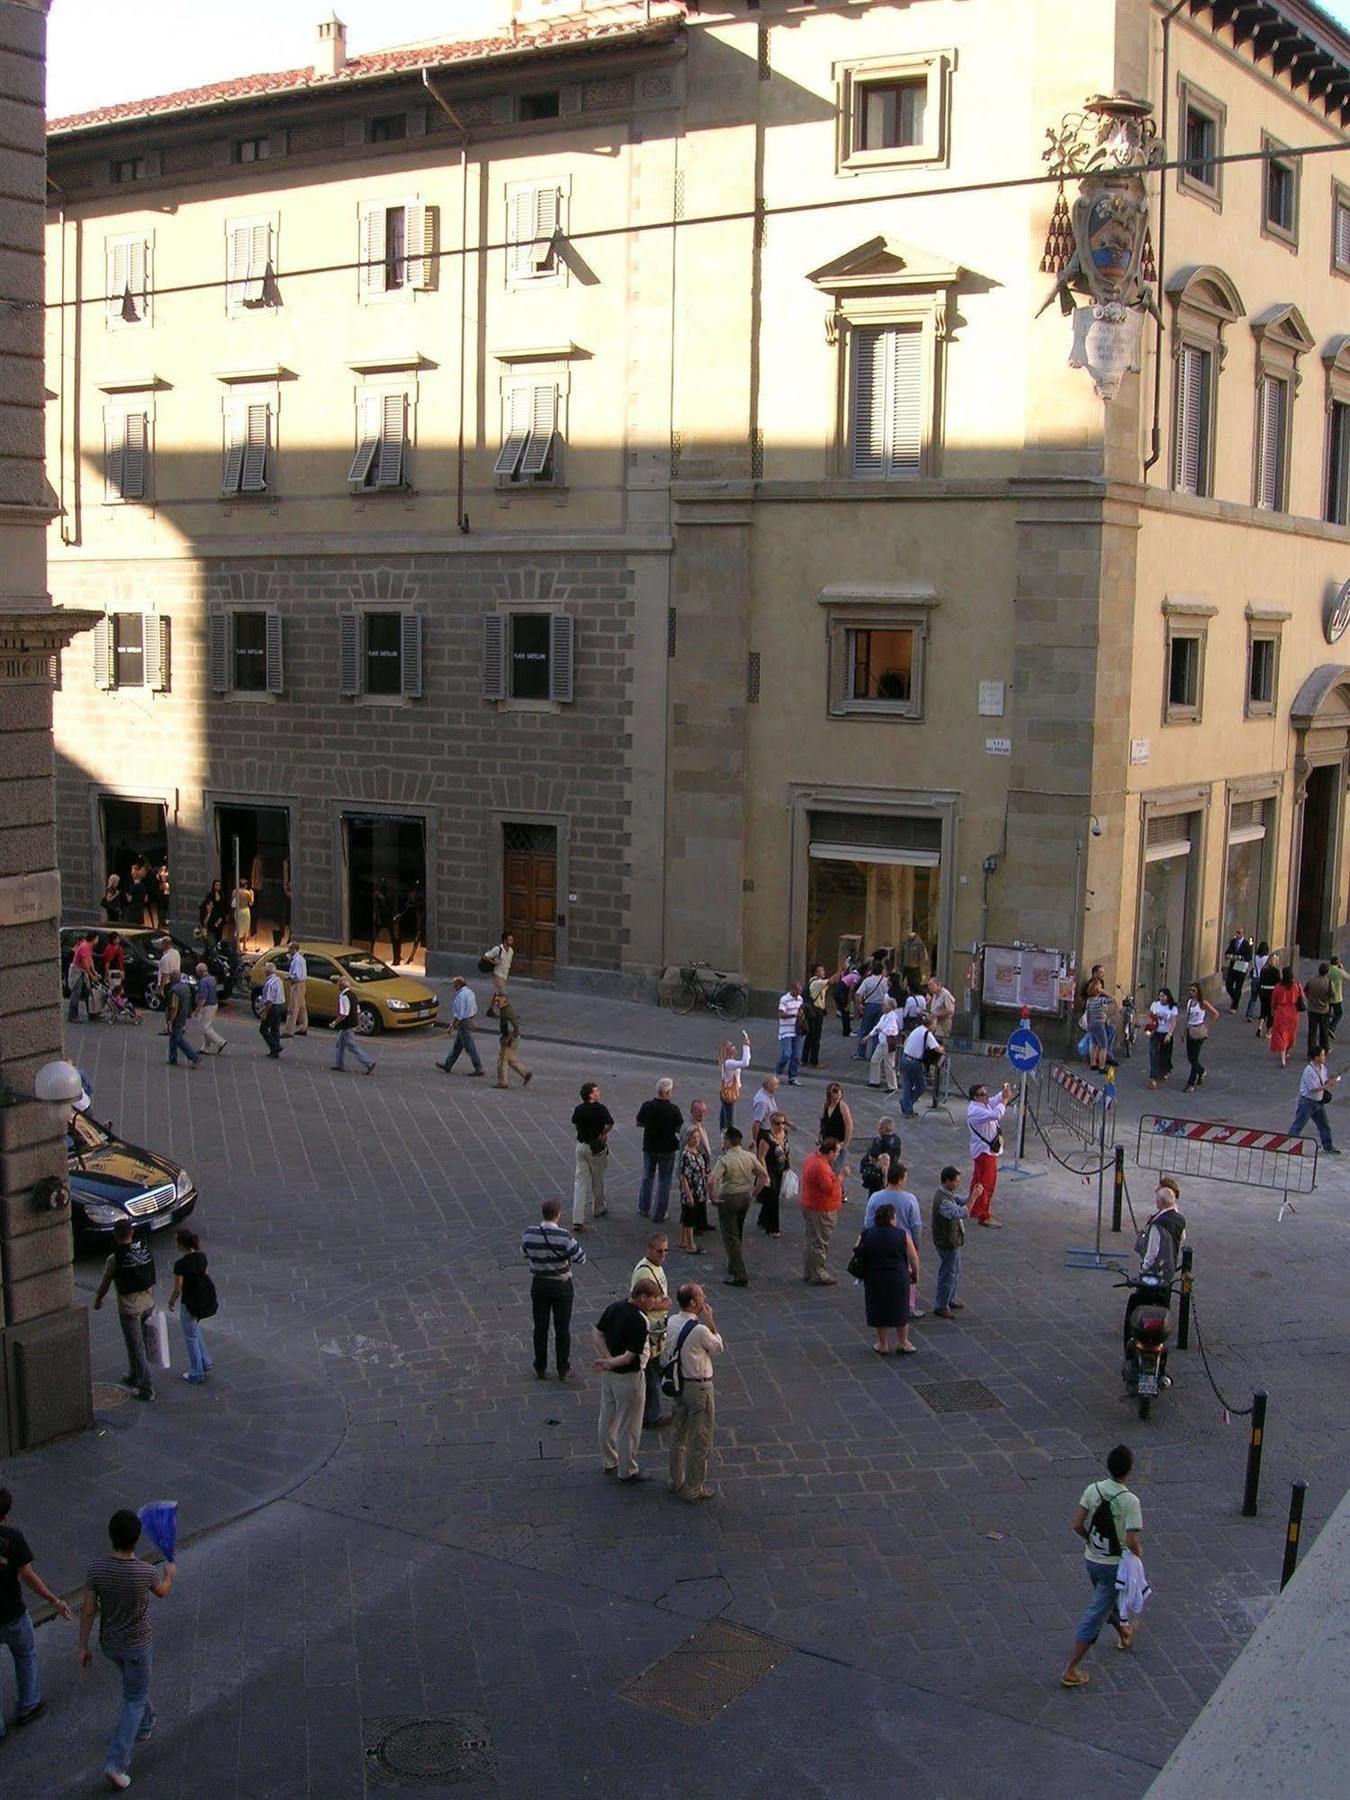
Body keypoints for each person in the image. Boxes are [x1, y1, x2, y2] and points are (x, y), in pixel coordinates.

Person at [78, 1508, 176, 1790]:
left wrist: (82, 1647)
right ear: (136, 1539)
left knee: (134, 1687)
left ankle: (147, 1723)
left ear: (112, 1537)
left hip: (110, 1643)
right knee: (134, 1698)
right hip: (137, 1645)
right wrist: (169, 1572)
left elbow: (88, 1610)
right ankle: (116, 1763)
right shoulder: (145, 1572)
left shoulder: (96, 1569)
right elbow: (163, 1591)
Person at [1060, 1445, 1143, 1687]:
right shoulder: (1130, 1501)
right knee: (1096, 1612)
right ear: (1129, 1470)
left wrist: (1089, 1540)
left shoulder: (1092, 1489)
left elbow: (1076, 1524)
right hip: (1113, 1566)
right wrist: (1138, 1555)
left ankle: (1124, 1632)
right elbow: (1131, 1540)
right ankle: (1071, 1669)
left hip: (1092, 1560)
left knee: (1107, 1597)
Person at [0, 1487, 73, 1739]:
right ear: (5, 1514)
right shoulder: (13, 1538)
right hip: (12, 1612)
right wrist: (54, 1600)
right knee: (25, 1654)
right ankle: (28, 1704)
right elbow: (28, 1576)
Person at [591, 1279, 663, 1483]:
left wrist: (606, 1359)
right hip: (629, 1378)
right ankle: (627, 1470)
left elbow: (596, 1333)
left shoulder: (614, 1307)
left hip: (609, 1376)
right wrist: (611, 1362)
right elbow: (631, 1356)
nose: (653, 1304)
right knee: (629, 1425)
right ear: (642, 1298)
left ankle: (609, 1460)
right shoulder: (640, 1320)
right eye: (652, 1300)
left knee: (607, 1418)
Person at [663, 1282, 723, 1503]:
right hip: (699, 1387)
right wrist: (711, 1322)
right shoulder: (699, 1329)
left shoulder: (671, 1322)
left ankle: (675, 1480)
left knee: (678, 1435)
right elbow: (718, 1347)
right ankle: (693, 1487)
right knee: (700, 1439)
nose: (704, 1298)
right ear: (692, 1302)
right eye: (701, 1295)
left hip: (679, 1385)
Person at [521, 1199, 585, 1381]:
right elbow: (581, 1257)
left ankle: (540, 1366)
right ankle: (563, 1369)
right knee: (562, 1328)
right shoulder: (565, 1236)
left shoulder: (529, 1233)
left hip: (539, 1284)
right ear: (558, 1215)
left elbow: (524, 1253)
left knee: (540, 1327)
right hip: (561, 1286)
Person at [93, 1223, 157, 1402]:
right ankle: (134, 1374)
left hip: (130, 1308)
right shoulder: (143, 1250)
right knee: (142, 1342)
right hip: (148, 1302)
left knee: (136, 1347)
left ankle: (146, 1387)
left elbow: (105, 1283)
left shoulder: (115, 1259)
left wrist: (98, 1300)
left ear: (115, 1235)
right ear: (132, 1232)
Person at [853, 1201, 919, 1355]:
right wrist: (915, 1273)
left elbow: (857, 1251)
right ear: (891, 1218)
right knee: (901, 1308)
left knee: (878, 1309)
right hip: (898, 1276)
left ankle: (882, 1344)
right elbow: (913, 1258)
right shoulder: (902, 1235)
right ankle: (903, 1342)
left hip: (875, 1277)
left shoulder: (866, 1234)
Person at [709, 1126, 767, 1286]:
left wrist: (712, 1198)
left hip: (729, 1198)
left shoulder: (725, 1160)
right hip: (745, 1197)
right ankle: (733, 1264)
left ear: (728, 1141)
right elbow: (763, 1176)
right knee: (738, 1231)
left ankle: (739, 1273)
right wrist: (754, 1193)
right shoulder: (749, 1156)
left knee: (730, 1236)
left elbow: (712, 1180)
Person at [866, 1163, 923, 1316]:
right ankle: (908, 1306)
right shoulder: (910, 1199)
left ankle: (883, 1303)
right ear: (900, 1179)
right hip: (903, 1241)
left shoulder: (875, 1197)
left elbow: (868, 1223)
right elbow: (916, 1225)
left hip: (879, 1240)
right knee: (906, 1274)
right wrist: (916, 1244)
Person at [631, 1237, 672, 1429]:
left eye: (665, 1251)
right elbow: (639, 1300)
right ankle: (651, 1415)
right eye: (659, 1251)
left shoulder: (656, 1267)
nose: (663, 1255)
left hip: (657, 1330)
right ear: (649, 1249)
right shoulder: (644, 1272)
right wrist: (661, 1304)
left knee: (653, 1372)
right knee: (651, 1374)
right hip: (650, 1330)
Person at [168, 1227, 216, 1383]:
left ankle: (197, 1372)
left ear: (181, 1244)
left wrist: (171, 1300)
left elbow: (178, 1288)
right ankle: (205, 1361)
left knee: (191, 1336)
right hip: (203, 1299)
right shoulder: (202, 1257)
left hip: (189, 1302)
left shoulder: (180, 1264)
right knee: (195, 1331)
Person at [635, 1078, 682, 1223]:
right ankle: (660, 1213)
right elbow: (679, 1128)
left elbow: (639, 1122)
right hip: (667, 1148)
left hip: (649, 1146)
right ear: (667, 1091)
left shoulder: (647, 1106)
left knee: (648, 1176)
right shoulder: (673, 1109)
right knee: (664, 1180)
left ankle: (644, 1208)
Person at [967, 1082, 1013, 1228]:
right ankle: (984, 1215)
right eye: (982, 1094)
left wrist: (1002, 1094)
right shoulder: (976, 1111)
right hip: (985, 1151)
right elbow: (996, 1113)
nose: (986, 1096)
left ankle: (973, 1207)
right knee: (987, 1184)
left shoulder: (982, 1104)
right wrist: (1005, 1101)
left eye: (986, 1092)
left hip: (984, 1150)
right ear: (975, 1097)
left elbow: (993, 1101)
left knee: (978, 1181)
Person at [800, 1137, 844, 1284]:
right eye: (837, 1151)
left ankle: (809, 1270)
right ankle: (818, 1273)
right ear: (830, 1152)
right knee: (820, 1242)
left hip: (811, 1205)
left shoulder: (812, 1159)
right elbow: (829, 1189)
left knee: (811, 1239)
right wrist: (840, 1177)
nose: (838, 1154)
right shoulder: (822, 1167)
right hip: (821, 1209)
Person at [571, 1081, 614, 1227]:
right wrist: (603, 1133)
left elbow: (575, 1123)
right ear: (590, 1095)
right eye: (596, 1091)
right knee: (598, 1179)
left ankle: (577, 1218)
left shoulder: (578, 1109)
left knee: (580, 1182)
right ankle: (599, 1208)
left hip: (581, 1146)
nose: (598, 1093)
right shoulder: (600, 1109)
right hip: (596, 1147)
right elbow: (610, 1123)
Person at [931, 1165, 969, 1319]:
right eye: (956, 1181)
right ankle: (941, 1305)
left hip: (954, 1240)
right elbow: (960, 1212)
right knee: (948, 1273)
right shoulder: (943, 1201)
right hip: (947, 1241)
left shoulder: (947, 1194)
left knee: (955, 1271)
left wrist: (974, 1192)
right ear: (947, 1181)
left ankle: (950, 1299)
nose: (958, 1184)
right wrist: (973, 1199)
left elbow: (960, 1200)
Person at [1290, 1046, 1341, 1153]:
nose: (1324, 1057)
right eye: (1322, 1055)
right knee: (1299, 1124)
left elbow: (1324, 1081)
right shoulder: (1309, 1070)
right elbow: (1313, 1088)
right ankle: (1289, 1144)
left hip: (1318, 1102)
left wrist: (1330, 1081)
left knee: (1324, 1125)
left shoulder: (1323, 1068)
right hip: (1307, 1102)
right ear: (1316, 1057)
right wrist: (1327, 1086)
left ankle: (1328, 1146)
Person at [438, 975, 483, 1076]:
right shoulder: (470, 992)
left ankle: (478, 1067)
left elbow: (459, 1014)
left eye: (454, 984)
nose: (453, 987)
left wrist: (452, 1026)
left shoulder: (461, 996)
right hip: (468, 1020)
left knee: (469, 1046)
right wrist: (472, 1019)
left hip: (463, 1023)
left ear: (458, 984)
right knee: (457, 1046)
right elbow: (474, 1008)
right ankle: (448, 1065)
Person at [331, 972, 375, 1074]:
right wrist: (359, 1024)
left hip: (346, 1025)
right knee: (340, 1044)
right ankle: (339, 1064)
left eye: (338, 984)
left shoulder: (344, 997)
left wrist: (334, 1023)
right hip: (350, 1025)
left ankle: (369, 1063)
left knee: (352, 1046)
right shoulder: (353, 995)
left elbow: (344, 1014)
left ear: (340, 986)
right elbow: (357, 1011)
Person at [899, 1018, 944, 1118]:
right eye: (935, 1023)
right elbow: (937, 1048)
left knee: (907, 1085)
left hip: (905, 1058)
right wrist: (943, 1049)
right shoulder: (927, 1034)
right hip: (914, 1062)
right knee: (921, 1086)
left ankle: (907, 1107)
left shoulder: (918, 1029)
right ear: (931, 1024)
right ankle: (907, 1104)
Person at [677, 1125, 711, 1255]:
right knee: (690, 1217)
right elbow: (683, 1176)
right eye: (694, 1137)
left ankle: (683, 1240)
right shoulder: (686, 1154)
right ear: (688, 1138)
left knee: (686, 1215)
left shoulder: (697, 1151)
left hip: (699, 1188)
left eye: (698, 1137)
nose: (697, 1140)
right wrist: (688, 1194)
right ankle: (691, 1245)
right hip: (691, 1190)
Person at [758, 1112, 791, 1237]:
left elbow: (787, 1151)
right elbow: (761, 1157)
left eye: (783, 1123)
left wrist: (788, 1166)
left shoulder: (784, 1134)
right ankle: (773, 1228)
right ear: (771, 1124)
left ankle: (762, 1219)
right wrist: (765, 1175)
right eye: (778, 1123)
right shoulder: (766, 1138)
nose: (781, 1126)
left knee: (770, 1196)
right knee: (773, 1198)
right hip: (770, 1169)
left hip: (780, 1169)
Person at [1182, 982, 1219, 1091]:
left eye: (1194, 990)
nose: (1191, 992)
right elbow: (1187, 1018)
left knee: (1195, 1057)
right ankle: (1201, 1071)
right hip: (1190, 1029)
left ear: (1198, 991)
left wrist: (1207, 1025)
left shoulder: (1203, 1003)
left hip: (1199, 1031)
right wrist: (1184, 1032)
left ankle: (1191, 1083)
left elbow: (1215, 1013)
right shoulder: (1189, 1002)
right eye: (1190, 990)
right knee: (1190, 1057)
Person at [492, 991, 532, 1089]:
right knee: (510, 1060)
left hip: (509, 1039)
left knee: (502, 1061)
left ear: (504, 1001)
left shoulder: (506, 1012)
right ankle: (525, 1073)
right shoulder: (506, 1009)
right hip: (514, 1038)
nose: (496, 1004)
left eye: (498, 1001)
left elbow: (510, 1029)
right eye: (495, 1001)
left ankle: (503, 1082)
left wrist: (507, 1041)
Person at [851, 959, 890, 1060]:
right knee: (877, 1030)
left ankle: (861, 1053)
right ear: (882, 971)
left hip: (869, 1006)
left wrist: (859, 1005)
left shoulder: (867, 980)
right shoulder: (886, 981)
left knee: (864, 1030)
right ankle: (874, 1054)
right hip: (882, 1006)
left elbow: (858, 993)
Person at [1268, 965, 1303, 1067]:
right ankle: (1286, 1051)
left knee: (1281, 1035)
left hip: (1281, 1012)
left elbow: (1273, 1001)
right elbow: (1301, 998)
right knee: (1291, 1034)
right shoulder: (1296, 986)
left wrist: (1272, 1011)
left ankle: (1283, 1059)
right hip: (1293, 1013)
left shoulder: (1278, 987)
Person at [165, 972, 200, 1069]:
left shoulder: (174, 991)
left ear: (171, 979)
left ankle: (194, 1057)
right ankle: (172, 1057)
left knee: (178, 1039)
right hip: (184, 1014)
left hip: (178, 1017)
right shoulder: (185, 987)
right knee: (173, 1037)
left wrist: (170, 1021)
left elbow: (174, 1007)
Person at [718, 1031, 752, 1132]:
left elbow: (747, 1060)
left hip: (725, 1092)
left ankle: (723, 1136)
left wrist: (747, 1047)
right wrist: (746, 1046)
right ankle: (728, 1139)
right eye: (732, 1046)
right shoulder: (729, 1063)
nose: (734, 1047)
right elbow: (745, 1063)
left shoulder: (729, 1062)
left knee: (724, 1116)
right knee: (729, 1120)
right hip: (730, 1093)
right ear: (728, 1051)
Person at [1145, 986, 1177, 1090]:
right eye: (1160, 996)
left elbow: (1173, 1021)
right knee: (1153, 1054)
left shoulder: (1172, 1007)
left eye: (1163, 996)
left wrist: (1169, 1034)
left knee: (1165, 1055)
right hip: (1156, 1033)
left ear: (1168, 997)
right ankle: (1153, 1079)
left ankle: (1165, 1070)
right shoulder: (1155, 1005)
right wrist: (1150, 1027)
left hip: (1166, 1033)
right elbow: (1151, 1017)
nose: (1161, 998)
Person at [773, 980, 805, 1084]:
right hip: (786, 1031)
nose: (799, 994)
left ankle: (792, 1077)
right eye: (797, 991)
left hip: (796, 1030)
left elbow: (801, 1012)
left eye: (800, 991)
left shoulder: (800, 999)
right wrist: (794, 1015)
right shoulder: (784, 999)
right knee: (787, 1054)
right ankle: (777, 1072)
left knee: (796, 1055)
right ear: (792, 989)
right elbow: (781, 1014)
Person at [191, 962, 226, 1055]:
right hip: (214, 1004)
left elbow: (203, 997)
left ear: (200, 971)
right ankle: (206, 1048)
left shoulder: (203, 982)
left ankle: (220, 1042)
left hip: (207, 1006)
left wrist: (198, 1009)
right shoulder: (212, 979)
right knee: (208, 1025)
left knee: (205, 1028)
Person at [818, 1082, 852, 1176]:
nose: (838, 1095)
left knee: (835, 1170)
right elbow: (823, 1122)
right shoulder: (826, 1106)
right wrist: (820, 1135)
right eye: (835, 1092)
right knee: (825, 1169)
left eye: (839, 1092)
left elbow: (849, 1126)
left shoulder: (842, 1107)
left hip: (838, 1143)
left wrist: (845, 1144)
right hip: (826, 1142)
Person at [869, 999, 902, 1093]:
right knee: (875, 1059)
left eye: (885, 1005)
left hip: (888, 1042)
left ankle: (892, 1086)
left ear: (891, 1006)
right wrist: (869, 1036)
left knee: (889, 1064)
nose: (882, 1006)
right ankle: (874, 1081)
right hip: (882, 1042)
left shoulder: (893, 1017)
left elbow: (891, 1030)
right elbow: (877, 1027)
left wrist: (881, 1029)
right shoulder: (884, 1016)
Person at [802, 964, 830, 1067]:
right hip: (816, 1012)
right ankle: (814, 1061)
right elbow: (831, 981)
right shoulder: (817, 983)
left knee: (810, 1036)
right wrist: (841, 970)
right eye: (821, 970)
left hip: (812, 1011)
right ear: (816, 973)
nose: (823, 972)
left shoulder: (813, 982)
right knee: (815, 1037)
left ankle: (804, 1059)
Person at [1083, 978, 1112, 1072]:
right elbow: (1112, 999)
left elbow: (1087, 1013)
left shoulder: (1089, 1000)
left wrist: (1087, 1025)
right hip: (1100, 1023)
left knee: (1094, 1044)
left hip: (1091, 1023)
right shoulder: (1101, 1000)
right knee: (1103, 1046)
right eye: (1100, 985)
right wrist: (1103, 992)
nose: (1101, 987)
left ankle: (1093, 1064)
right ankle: (1102, 1067)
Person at [257, 958, 285, 1057]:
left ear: (267, 971)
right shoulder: (278, 980)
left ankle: (275, 1046)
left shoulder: (269, 983)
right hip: (280, 1005)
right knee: (275, 1028)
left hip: (273, 1007)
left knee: (263, 1029)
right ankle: (275, 1051)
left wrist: (264, 1012)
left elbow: (269, 1000)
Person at [1305, 961, 1333, 1057]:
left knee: (1312, 1032)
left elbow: (1306, 991)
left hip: (1312, 1009)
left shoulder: (1312, 980)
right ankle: (1323, 1050)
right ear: (1327, 972)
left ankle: (1311, 1053)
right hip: (1323, 1010)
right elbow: (1332, 995)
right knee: (1324, 1031)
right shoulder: (1328, 982)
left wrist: (1310, 998)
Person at [282, 940, 309, 1037]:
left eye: (290, 948)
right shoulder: (300, 959)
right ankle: (303, 1027)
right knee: (302, 1006)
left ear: (294, 949)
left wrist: (288, 977)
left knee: (293, 1008)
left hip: (297, 984)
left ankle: (288, 1031)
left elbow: (296, 975)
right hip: (302, 984)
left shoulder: (296, 961)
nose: (288, 950)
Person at [1223, 930, 1254, 1012]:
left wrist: (1239, 957)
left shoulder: (1247, 944)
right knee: (1228, 985)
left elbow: (1249, 957)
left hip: (1241, 968)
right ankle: (1235, 998)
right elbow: (1228, 951)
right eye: (1236, 932)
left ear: (1243, 934)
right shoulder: (1233, 942)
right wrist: (1228, 955)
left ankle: (1234, 1006)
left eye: (1239, 933)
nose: (1237, 934)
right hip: (1232, 966)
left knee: (1238, 987)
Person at [371, 880, 399, 965]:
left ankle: (396, 959)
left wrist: (394, 916)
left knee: (393, 937)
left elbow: (392, 906)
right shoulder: (377, 895)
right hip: (381, 918)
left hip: (388, 918)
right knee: (374, 937)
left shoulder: (387, 895)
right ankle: (371, 956)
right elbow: (376, 908)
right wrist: (377, 919)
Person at [483, 931, 514, 997]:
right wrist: (494, 962)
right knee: (504, 993)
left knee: (497, 993)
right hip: (497, 973)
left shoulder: (511, 951)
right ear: (505, 940)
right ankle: (505, 1007)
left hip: (505, 975)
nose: (512, 941)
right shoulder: (497, 949)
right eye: (510, 940)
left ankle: (491, 1007)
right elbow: (485, 956)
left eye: (512, 940)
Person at [927, 975, 957, 1045]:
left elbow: (950, 1010)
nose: (930, 989)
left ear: (938, 985)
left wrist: (938, 1015)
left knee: (941, 1040)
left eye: (932, 987)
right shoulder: (934, 995)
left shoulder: (945, 994)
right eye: (929, 987)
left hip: (943, 1021)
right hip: (934, 1021)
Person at [1246, 941, 1270, 1023]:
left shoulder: (1254, 957)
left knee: (1253, 998)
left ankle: (1249, 1014)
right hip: (1262, 980)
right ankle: (1262, 1015)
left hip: (1254, 978)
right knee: (1263, 1000)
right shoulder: (1267, 958)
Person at [231, 880, 254, 951]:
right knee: (245, 929)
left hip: (237, 911)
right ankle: (244, 946)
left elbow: (233, 901)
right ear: (245, 885)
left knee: (238, 928)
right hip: (245, 911)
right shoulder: (247, 893)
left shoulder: (235, 891)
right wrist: (252, 894)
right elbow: (251, 903)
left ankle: (237, 946)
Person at [1330, 954, 1345, 1041]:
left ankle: (1326, 1028)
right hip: (1337, 997)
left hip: (1328, 997)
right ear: (1337, 963)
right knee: (1338, 1014)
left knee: (1327, 1013)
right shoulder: (1339, 972)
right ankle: (1331, 1027)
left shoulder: (1327, 970)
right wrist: (1342, 969)